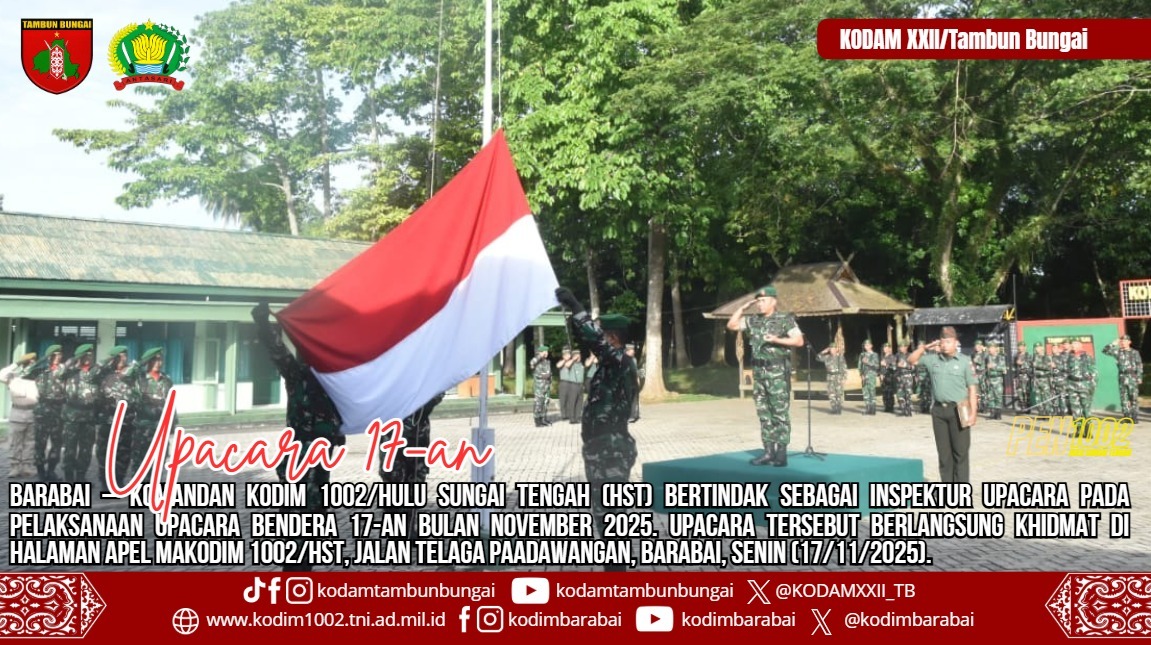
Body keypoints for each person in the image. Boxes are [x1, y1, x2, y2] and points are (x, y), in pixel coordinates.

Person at [252, 301, 344, 572]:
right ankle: (294, 569)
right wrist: (263, 324)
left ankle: (303, 567)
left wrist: (336, 433)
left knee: (315, 512)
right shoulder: (297, 375)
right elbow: (278, 352)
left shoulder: (333, 379)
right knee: (296, 513)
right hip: (300, 452)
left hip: (320, 456)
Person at [555, 287, 638, 572]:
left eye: (603, 333)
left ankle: (617, 576)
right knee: (604, 515)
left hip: (611, 448)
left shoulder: (620, 361)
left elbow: (595, 341)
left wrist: (577, 307)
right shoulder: (608, 364)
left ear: (612, 337)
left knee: (611, 516)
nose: (598, 338)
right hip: (600, 447)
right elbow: (590, 341)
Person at [725, 285, 805, 466]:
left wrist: (777, 339)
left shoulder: (785, 319)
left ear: (773, 301)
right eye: (758, 301)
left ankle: (781, 453)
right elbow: (731, 325)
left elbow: (799, 340)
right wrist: (742, 308)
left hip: (777, 373)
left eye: (763, 301)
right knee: (764, 413)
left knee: (779, 413)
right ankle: (768, 451)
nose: (759, 304)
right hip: (759, 374)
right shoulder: (753, 320)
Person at [908, 326, 978, 483]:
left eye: (949, 341)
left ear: (956, 342)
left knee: (960, 452)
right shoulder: (933, 359)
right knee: (944, 454)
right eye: (943, 341)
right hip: (939, 411)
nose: (945, 345)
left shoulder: (964, 361)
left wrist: (973, 413)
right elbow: (911, 360)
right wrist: (926, 347)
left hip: (959, 410)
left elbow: (972, 388)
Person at [379, 393, 443, 528]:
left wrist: (422, 406)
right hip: (391, 434)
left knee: (415, 481)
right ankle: (394, 527)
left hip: (417, 436)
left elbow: (438, 391)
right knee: (392, 480)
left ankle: (409, 526)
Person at [56, 344, 116, 483]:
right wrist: (72, 360)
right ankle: (69, 478)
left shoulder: (96, 373)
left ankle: (81, 477)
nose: (89, 357)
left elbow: (106, 370)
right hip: (72, 417)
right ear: (80, 357)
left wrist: (111, 358)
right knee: (70, 449)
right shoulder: (70, 372)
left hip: (89, 417)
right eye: (85, 355)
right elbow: (58, 374)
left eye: (90, 354)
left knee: (86, 450)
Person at [129, 347, 176, 474]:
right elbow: (126, 375)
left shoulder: (166, 380)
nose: (157, 363)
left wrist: (172, 424)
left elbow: (171, 403)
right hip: (143, 428)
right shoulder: (140, 378)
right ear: (148, 362)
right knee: (140, 463)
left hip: (161, 428)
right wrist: (141, 362)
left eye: (160, 360)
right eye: (154, 360)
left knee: (159, 461)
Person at [96, 346, 135, 491]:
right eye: (119, 356)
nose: (122, 359)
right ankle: (105, 481)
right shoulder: (104, 373)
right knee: (105, 452)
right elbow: (92, 373)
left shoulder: (132, 374)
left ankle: (119, 480)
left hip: (126, 420)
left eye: (124, 355)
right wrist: (109, 359)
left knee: (124, 453)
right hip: (108, 420)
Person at [27, 344, 65, 481]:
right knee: (40, 444)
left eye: (59, 354)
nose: (58, 357)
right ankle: (41, 472)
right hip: (42, 411)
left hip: (58, 411)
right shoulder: (40, 370)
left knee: (57, 444)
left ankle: (51, 471)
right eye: (55, 355)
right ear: (49, 356)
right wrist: (43, 359)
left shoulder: (64, 371)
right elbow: (25, 372)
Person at [1, 352, 39, 478]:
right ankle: (15, 467)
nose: (32, 364)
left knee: (30, 442)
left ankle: (27, 466)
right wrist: (16, 364)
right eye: (29, 362)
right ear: (24, 363)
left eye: (34, 362)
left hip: (32, 413)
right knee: (15, 442)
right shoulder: (14, 377)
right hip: (17, 413)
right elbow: (1, 375)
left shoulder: (37, 377)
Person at [1103, 335, 1143, 423]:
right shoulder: (1118, 352)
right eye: (1121, 341)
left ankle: (1134, 416)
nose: (1123, 343)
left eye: (1125, 341)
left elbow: (1139, 365)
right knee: (1124, 398)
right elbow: (1105, 350)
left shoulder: (1135, 352)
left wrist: (1139, 377)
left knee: (1133, 397)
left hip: (1132, 376)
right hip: (1122, 376)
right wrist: (1113, 344)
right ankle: (1126, 417)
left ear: (1129, 342)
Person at [1066, 339, 1096, 433]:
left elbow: (1093, 372)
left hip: (1084, 385)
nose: (1073, 346)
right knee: (1075, 409)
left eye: (1075, 344)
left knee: (1086, 409)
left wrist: (1092, 387)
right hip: (1072, 385)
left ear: (1080, 345)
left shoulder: (1087, 356)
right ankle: (1078, 430)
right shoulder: (1069, 357)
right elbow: (1065, 371)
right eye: (1072, 344)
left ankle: (1088, 431)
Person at [815, 345, 846, 414]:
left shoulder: (840, 357)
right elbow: (817, 358)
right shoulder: (827, 357)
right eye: (831, 349)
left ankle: (838, 408)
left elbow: (844, 368)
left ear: (836, 349)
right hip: (830, 376)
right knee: (831, 393)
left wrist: (844, 378)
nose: (832, 350)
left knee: (839, 393)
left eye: (833, 349)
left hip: (838, 376)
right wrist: (823, 351)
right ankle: (834, 408)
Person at [530, 345, 552, 427]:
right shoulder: (536, 361)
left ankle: (543, 419)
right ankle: (537, 420)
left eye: (547, 352)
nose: (546, 353)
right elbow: (531, 363)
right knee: (538, 403)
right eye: (544, 352)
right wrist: (540, 356)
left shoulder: (547, 362)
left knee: (545, 403)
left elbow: (549, 373)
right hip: (539, 386)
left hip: (547, 385)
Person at [984, 341, 1007, 420]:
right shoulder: (987, 357)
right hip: (990, 379)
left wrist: (994, 366)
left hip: (997, 379)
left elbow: (1003, 369)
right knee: (990, 396)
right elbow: (985, 368)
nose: (989, 349)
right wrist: (986, 378)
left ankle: (998, 414)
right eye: (989, 348)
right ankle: (992, 413)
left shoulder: (1000, 357)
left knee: (998, 396)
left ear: (995, 348)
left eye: (991, 348)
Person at [859, 339, 879, 415]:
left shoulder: (875, 355)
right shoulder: (862, 355)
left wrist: (868, 362)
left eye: (868, 345)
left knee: (872, 391)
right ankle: (868, 409)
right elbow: (860, 366)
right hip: (864, 376)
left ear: (871, 346)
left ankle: (873, 409)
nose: (866, 347)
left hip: (871, 375)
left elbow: (877, 366)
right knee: (865, 392)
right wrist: (861, 374)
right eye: (865, 345)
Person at [895, 341, 916, 417]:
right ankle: (903, 410)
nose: (901, 348)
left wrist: (905, 365)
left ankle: (909, 410)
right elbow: (895, 366)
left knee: (908, 394)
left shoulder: (910, 355)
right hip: (900, 377)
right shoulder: (897, 355)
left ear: (906, 347)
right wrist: (896, 374)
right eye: (900, 347)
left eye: (903, 346)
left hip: (908, 377)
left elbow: (913, 367)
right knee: (900, 395)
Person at [1013, 341, 1032, 412]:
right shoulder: (1016, 356)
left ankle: (1028, 407)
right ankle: (1022, 406)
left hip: (1026, 375)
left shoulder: (1028, 355)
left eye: (1022, 346)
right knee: (1019, 391)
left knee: (1026, 392)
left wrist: (1022, 363)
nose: (1020, 348)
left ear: (1025, 347)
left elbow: (1030, 365)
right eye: (1019, 346)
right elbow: (1013, 366)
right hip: (1018, 376)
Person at [916, 341, 933, 414]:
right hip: (919, 376)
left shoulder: (928, 356)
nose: (919, 348)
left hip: (926, 375)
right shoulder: (917, 355)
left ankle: (927, 407)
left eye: (921, 346)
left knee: (927, 391)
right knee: (921, 392)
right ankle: (922, 407)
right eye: (918, 347)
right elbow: (915, 367)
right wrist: (916, 375)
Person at [625, 344, 642, 422]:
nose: (633, 351)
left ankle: (633, 415)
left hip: (633, 382)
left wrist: (637, 379)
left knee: (634, 399)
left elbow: (635, 370)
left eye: (633, 350)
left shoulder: (634, 360)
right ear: (627, 351)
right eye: (632, 350)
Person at [879, 343, 897, 413]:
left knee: (890, 392)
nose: (885, 349)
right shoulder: (882, 357)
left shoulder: (892, 357)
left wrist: (886, 364)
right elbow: (880, 368)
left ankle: (891, 407)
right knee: (884, 393)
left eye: (886, 348)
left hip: (889, 377)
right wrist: (880, 374)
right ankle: (886, 406)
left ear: (890, 349)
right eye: (884, 348)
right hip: (883, 377)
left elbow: (894, 367)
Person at [972, 340, 988, 414]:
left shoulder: (985, 354)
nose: (977, 347)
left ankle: (985, 407)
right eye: (976, 346)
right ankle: (979, 406)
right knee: (977, 392)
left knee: (984, 391)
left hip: (983, 374)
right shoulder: (973, 354)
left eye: (979, 346)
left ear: (981, 346)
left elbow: (988, 364)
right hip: (976, 375)